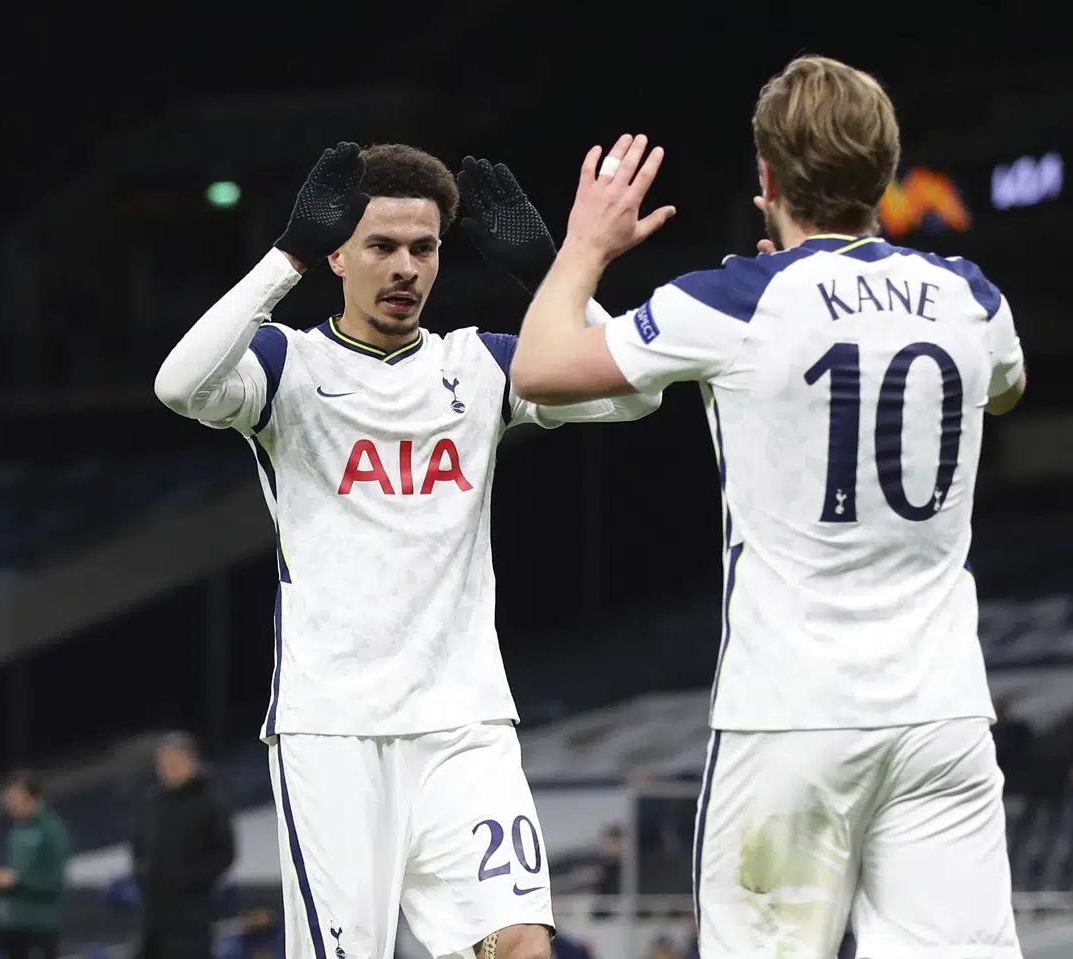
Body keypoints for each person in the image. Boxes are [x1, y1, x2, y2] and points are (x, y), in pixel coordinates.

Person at [510, 55, 1027, 959]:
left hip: (791, 723)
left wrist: (589, 244)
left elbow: (542, 369)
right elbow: (1005, 390)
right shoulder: (972, 297)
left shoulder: (737, 300)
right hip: (941, 716)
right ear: (886, 171)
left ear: (768, 180)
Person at [153, 142, 660, 959]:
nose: (405, 267)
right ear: (338, 253)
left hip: (465, 722)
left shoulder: (483, 363)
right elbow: (180, 385)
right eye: (382, 246)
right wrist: (282, 256)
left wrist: (555, 275)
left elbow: (634, 391)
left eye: (423, 248)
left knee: (524, 945)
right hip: (335, 731)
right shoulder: (289, 367)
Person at [131, 732, 237, 959]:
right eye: (164, 764)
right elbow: (137, 843)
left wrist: (191, 881)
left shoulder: (209, 801)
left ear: (191, 763)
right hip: (154, 909)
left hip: (191, 912)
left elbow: (225, 853)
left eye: (174, 763)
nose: (168, 769)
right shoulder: (152, 801)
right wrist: (142, 873)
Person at [0, 773, 71, 959]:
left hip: (40, 924)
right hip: (12, 924)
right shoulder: (17, 831)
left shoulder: (52, 829)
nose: (8, 805)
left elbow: (55, 880)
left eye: (13, 800)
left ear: (32, 798)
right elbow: (14, 873)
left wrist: (17, 881)